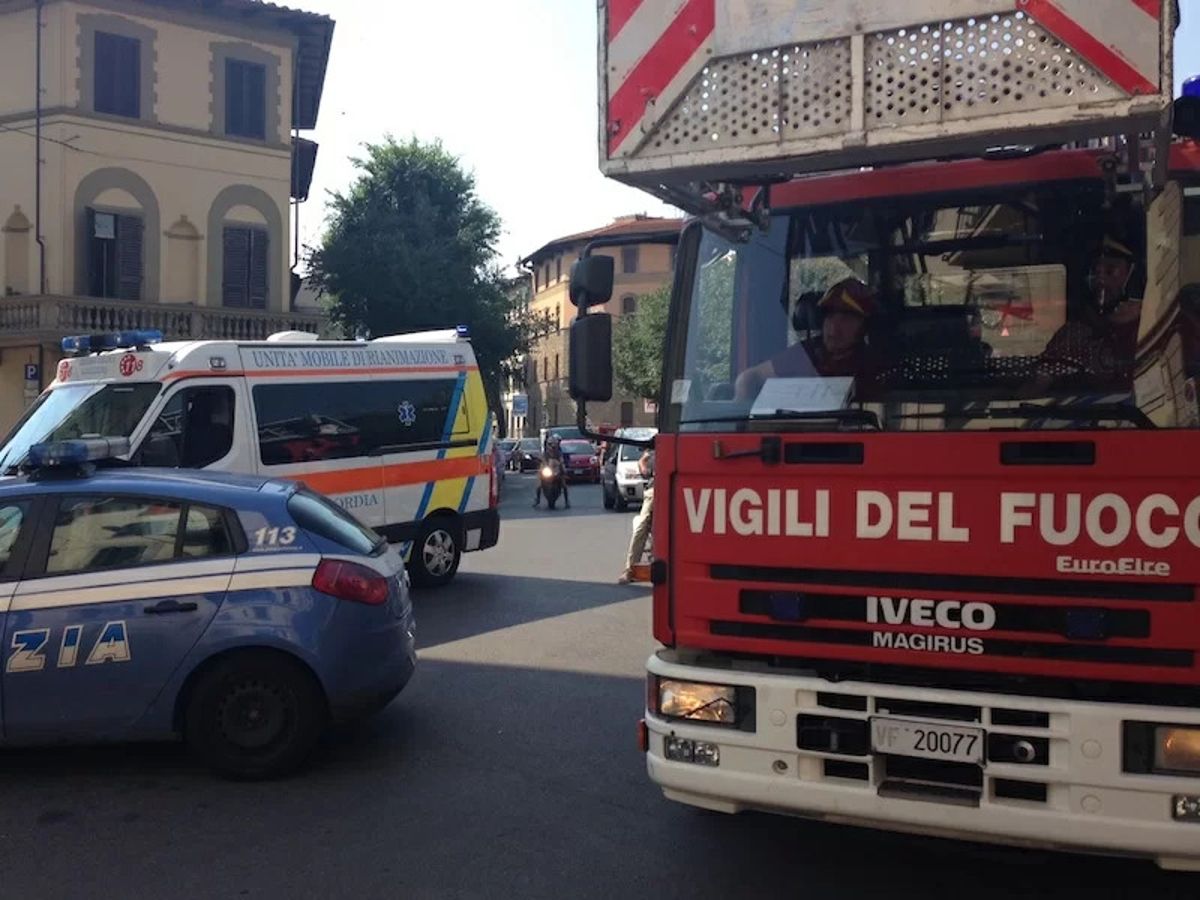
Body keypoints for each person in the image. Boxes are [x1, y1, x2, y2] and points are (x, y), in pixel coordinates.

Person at [735, 277, 879, 400]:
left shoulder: (874, 364)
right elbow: (748, 379)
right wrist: (742, 425)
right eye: (829, 317)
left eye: (846, 319)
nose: (834, 329)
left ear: (864, 326)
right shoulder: (805, 354)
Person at [1037, 234, 1141, 389]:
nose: (1100, 280)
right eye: (1095, 272)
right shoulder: (1073, 336)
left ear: (1131, 275)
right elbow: (1039, 383)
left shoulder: (1151, 323)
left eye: (1110, 271)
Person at [617, 446, 654, 584]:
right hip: (656, 489)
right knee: (642, 526)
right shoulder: (658, 446)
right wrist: (646, 470)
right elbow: (643, 461)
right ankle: (630, 570)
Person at [532, 433, 570, 508]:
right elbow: (542, 459)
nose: (552, 446)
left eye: (553, 444)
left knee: (564, 485)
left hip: (556, 469)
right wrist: (542, 466)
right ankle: (537, 499)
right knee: (539, 485)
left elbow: (561, 460)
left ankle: (567, 501)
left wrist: (562, 466)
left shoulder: (558, 452)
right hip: (547, 469)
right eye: (550, 444)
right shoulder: (545, 453)